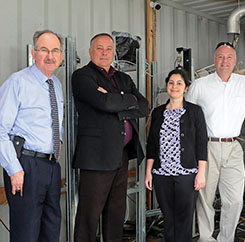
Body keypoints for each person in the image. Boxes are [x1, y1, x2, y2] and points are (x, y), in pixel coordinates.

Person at [186, 42, 245, 242]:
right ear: (214, 60)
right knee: (205, 198)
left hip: (233, 147)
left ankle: (226, 239)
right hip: (206, 148)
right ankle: (206, 239)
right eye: (220, 56)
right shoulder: (200, 85)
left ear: (235, 61)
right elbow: (186, 118)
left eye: (229, 57)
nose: (224, 61)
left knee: (235, 200)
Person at [72, 33, 148, 242]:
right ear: (90, 51)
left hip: (121, 155)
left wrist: (118, 100)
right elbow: (103, 103)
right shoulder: (82, 76)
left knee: (116, 212)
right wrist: (123, 101)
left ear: (114, 52)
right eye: (99, 48)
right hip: (96, 157)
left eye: (108, 48)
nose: (104, 53)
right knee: (90, 214)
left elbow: (143, 106)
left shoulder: (123, 78)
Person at [0, 30, 64, 242]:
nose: (50, 56)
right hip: (25, 166)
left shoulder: (56, 85)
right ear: (34, 53)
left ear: (61, 56)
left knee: (51, 229)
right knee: (26, 233)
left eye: (55, 51)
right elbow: (1, 129)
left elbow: (54, 121)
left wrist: (59, 141)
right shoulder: (17, 82)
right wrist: (14, 169)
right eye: (44, 50)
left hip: (51, 165)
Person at [145, 69, 208, 242]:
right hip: (161, 174)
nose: (174, 86)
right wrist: (149, 171)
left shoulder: (195, 112)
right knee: (169, 218)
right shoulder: (158, 113)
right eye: (171, 82)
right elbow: (152, 144)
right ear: (167, 86)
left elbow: (201, 143)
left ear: (186, 88)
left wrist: (201, 173)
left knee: (184, 219)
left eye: (179, 83)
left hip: (186, 174)